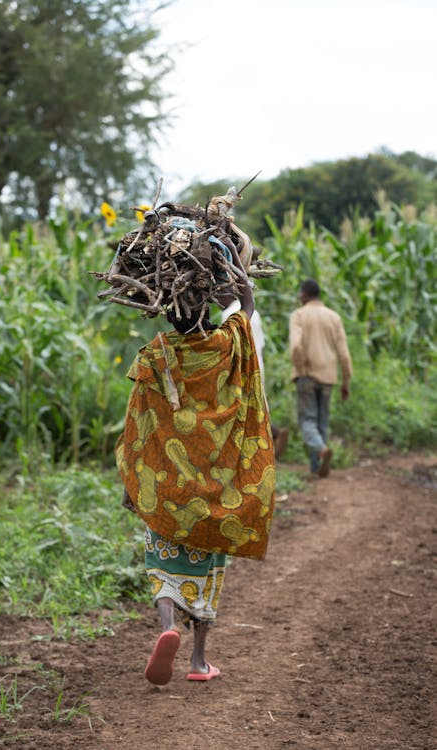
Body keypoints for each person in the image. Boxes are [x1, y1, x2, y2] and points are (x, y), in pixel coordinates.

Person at [116, 249, 276, 686]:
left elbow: (138, 420)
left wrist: (133, 481)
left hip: (166, 483)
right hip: (218, 482)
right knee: (207, 568)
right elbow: (246, 311)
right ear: (206, 308)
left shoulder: (156, 353)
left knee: (163, 563)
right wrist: (241, 284)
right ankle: (198, 661)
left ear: (167, 315)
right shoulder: (226, 344)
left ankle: (167, 624)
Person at [289, 278, 353, 478]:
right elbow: (344, 354)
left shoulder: (299, 315)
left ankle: (320, 450)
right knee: (322, 422)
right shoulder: (333, 317)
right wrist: (346, 382)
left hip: (307, 375)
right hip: (328, 376)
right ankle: (317, 467)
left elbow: (296, 346)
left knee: (308, 421)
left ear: (305, 294)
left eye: (300, 293)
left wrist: (301, 369)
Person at [221, 299, 289, 459]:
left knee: (243, 409)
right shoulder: (253, 313)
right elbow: (261, 344)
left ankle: (266, 441)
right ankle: (271, 436)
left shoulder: (229, 314)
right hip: (258, 366)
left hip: (242, 368)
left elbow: (228, 347)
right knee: (256, 407)